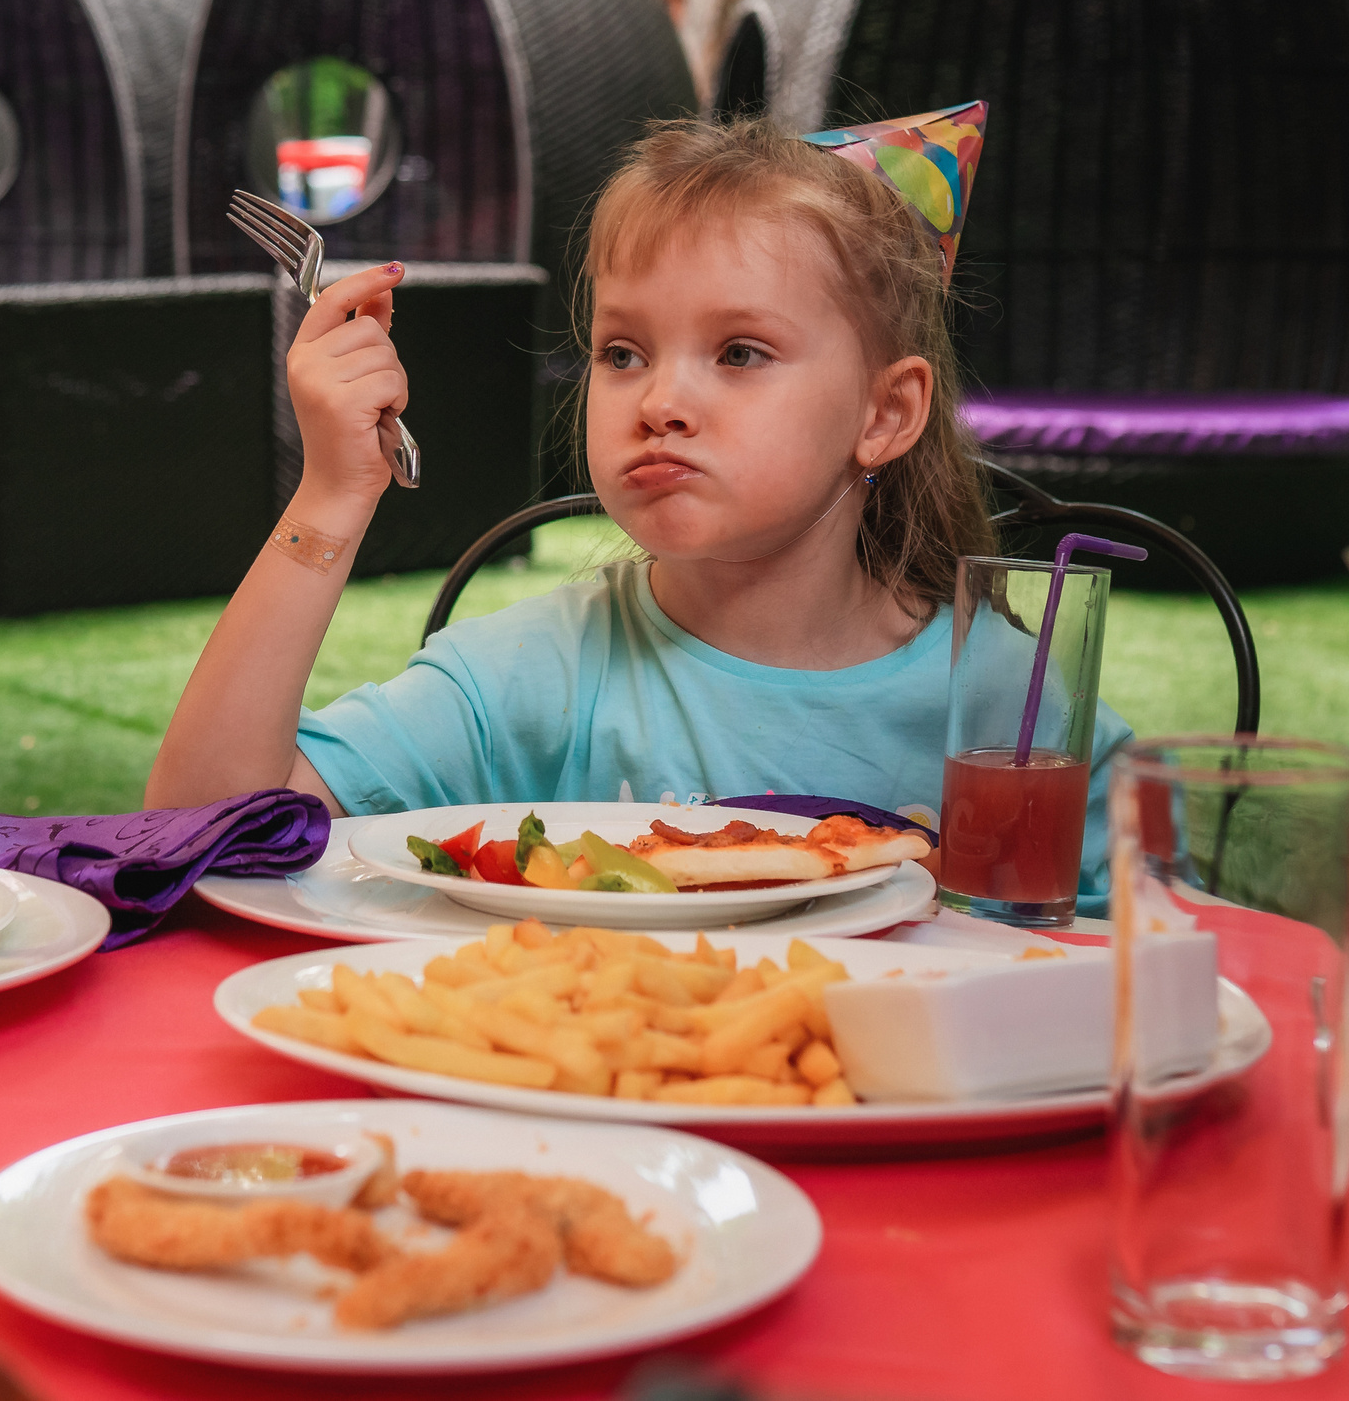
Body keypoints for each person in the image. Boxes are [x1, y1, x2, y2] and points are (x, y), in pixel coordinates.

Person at [146, 109, 1128, 912]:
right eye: (623, 353)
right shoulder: (534, 676)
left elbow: (1159, 969)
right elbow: (198, 825)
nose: (658, 401)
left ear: (885, 413)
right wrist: (332, 492)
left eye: (739, 352)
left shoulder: (1016, 722)